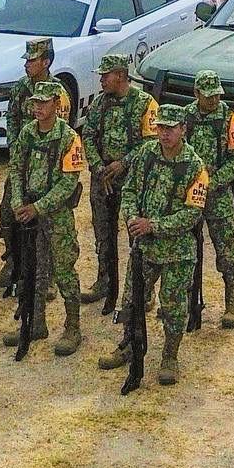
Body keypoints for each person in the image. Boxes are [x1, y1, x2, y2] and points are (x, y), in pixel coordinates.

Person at [101, 103, 207, 386]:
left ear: (183, 129)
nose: (164, 134)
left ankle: (170, 356)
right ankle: (128, 345)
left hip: (177, 252)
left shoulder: (194, 165)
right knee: (131, 300)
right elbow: (131, 189)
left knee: (173, 306)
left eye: (170, 128)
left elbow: (192, 213)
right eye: (160, 127)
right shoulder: (146, 155)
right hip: (144, 248)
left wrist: (153, 226)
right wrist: (132, 218)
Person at [2, 79, 87, 355]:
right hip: (30, 215)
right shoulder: (28, 133)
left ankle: (72, 326)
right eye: (35, 102)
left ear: (56, 105)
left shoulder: (68, 138)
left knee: (63, 271)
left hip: (57, 216)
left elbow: (68, 182)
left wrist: (38, 207)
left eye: (43, 102)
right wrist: (17, 202)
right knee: (32, 271)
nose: (37, 107)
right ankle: (35, 322)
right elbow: (15, 169)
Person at [79, 53, 157, 306]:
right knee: (103, 233)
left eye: (106, 75)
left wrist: (124, 163)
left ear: (121, 76)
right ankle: (105, 281)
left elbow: (151, 143)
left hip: (133, 182)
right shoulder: (100, 103)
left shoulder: (146, 104)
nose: (101, 80)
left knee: (137, 237)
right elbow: (88, 136)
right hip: (103, 180)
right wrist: (99, 167)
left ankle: (143, 291)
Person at [0, 37, 59, 288]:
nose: (27, 65)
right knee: (9, 212)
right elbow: (13, 118)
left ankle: (44, 277)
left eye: (32, 60)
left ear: (46, 62)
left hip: (46, 167)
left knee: (44, 222)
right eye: (26, 60)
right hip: (21, 162)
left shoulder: (57, 92)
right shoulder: (21, 88)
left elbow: (62, 132)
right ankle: (12, 264)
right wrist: (15, 146)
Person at [183, 70, 234, 328]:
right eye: (207, 96)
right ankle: (186, 302)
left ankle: (232, 303)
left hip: (217, 195)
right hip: (188, 195)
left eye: (216, 96)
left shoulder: (230, 118)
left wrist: (213, 182)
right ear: (196, 94)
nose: (212, 101)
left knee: (226, 251)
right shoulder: (185, 117)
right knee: (185, 252)